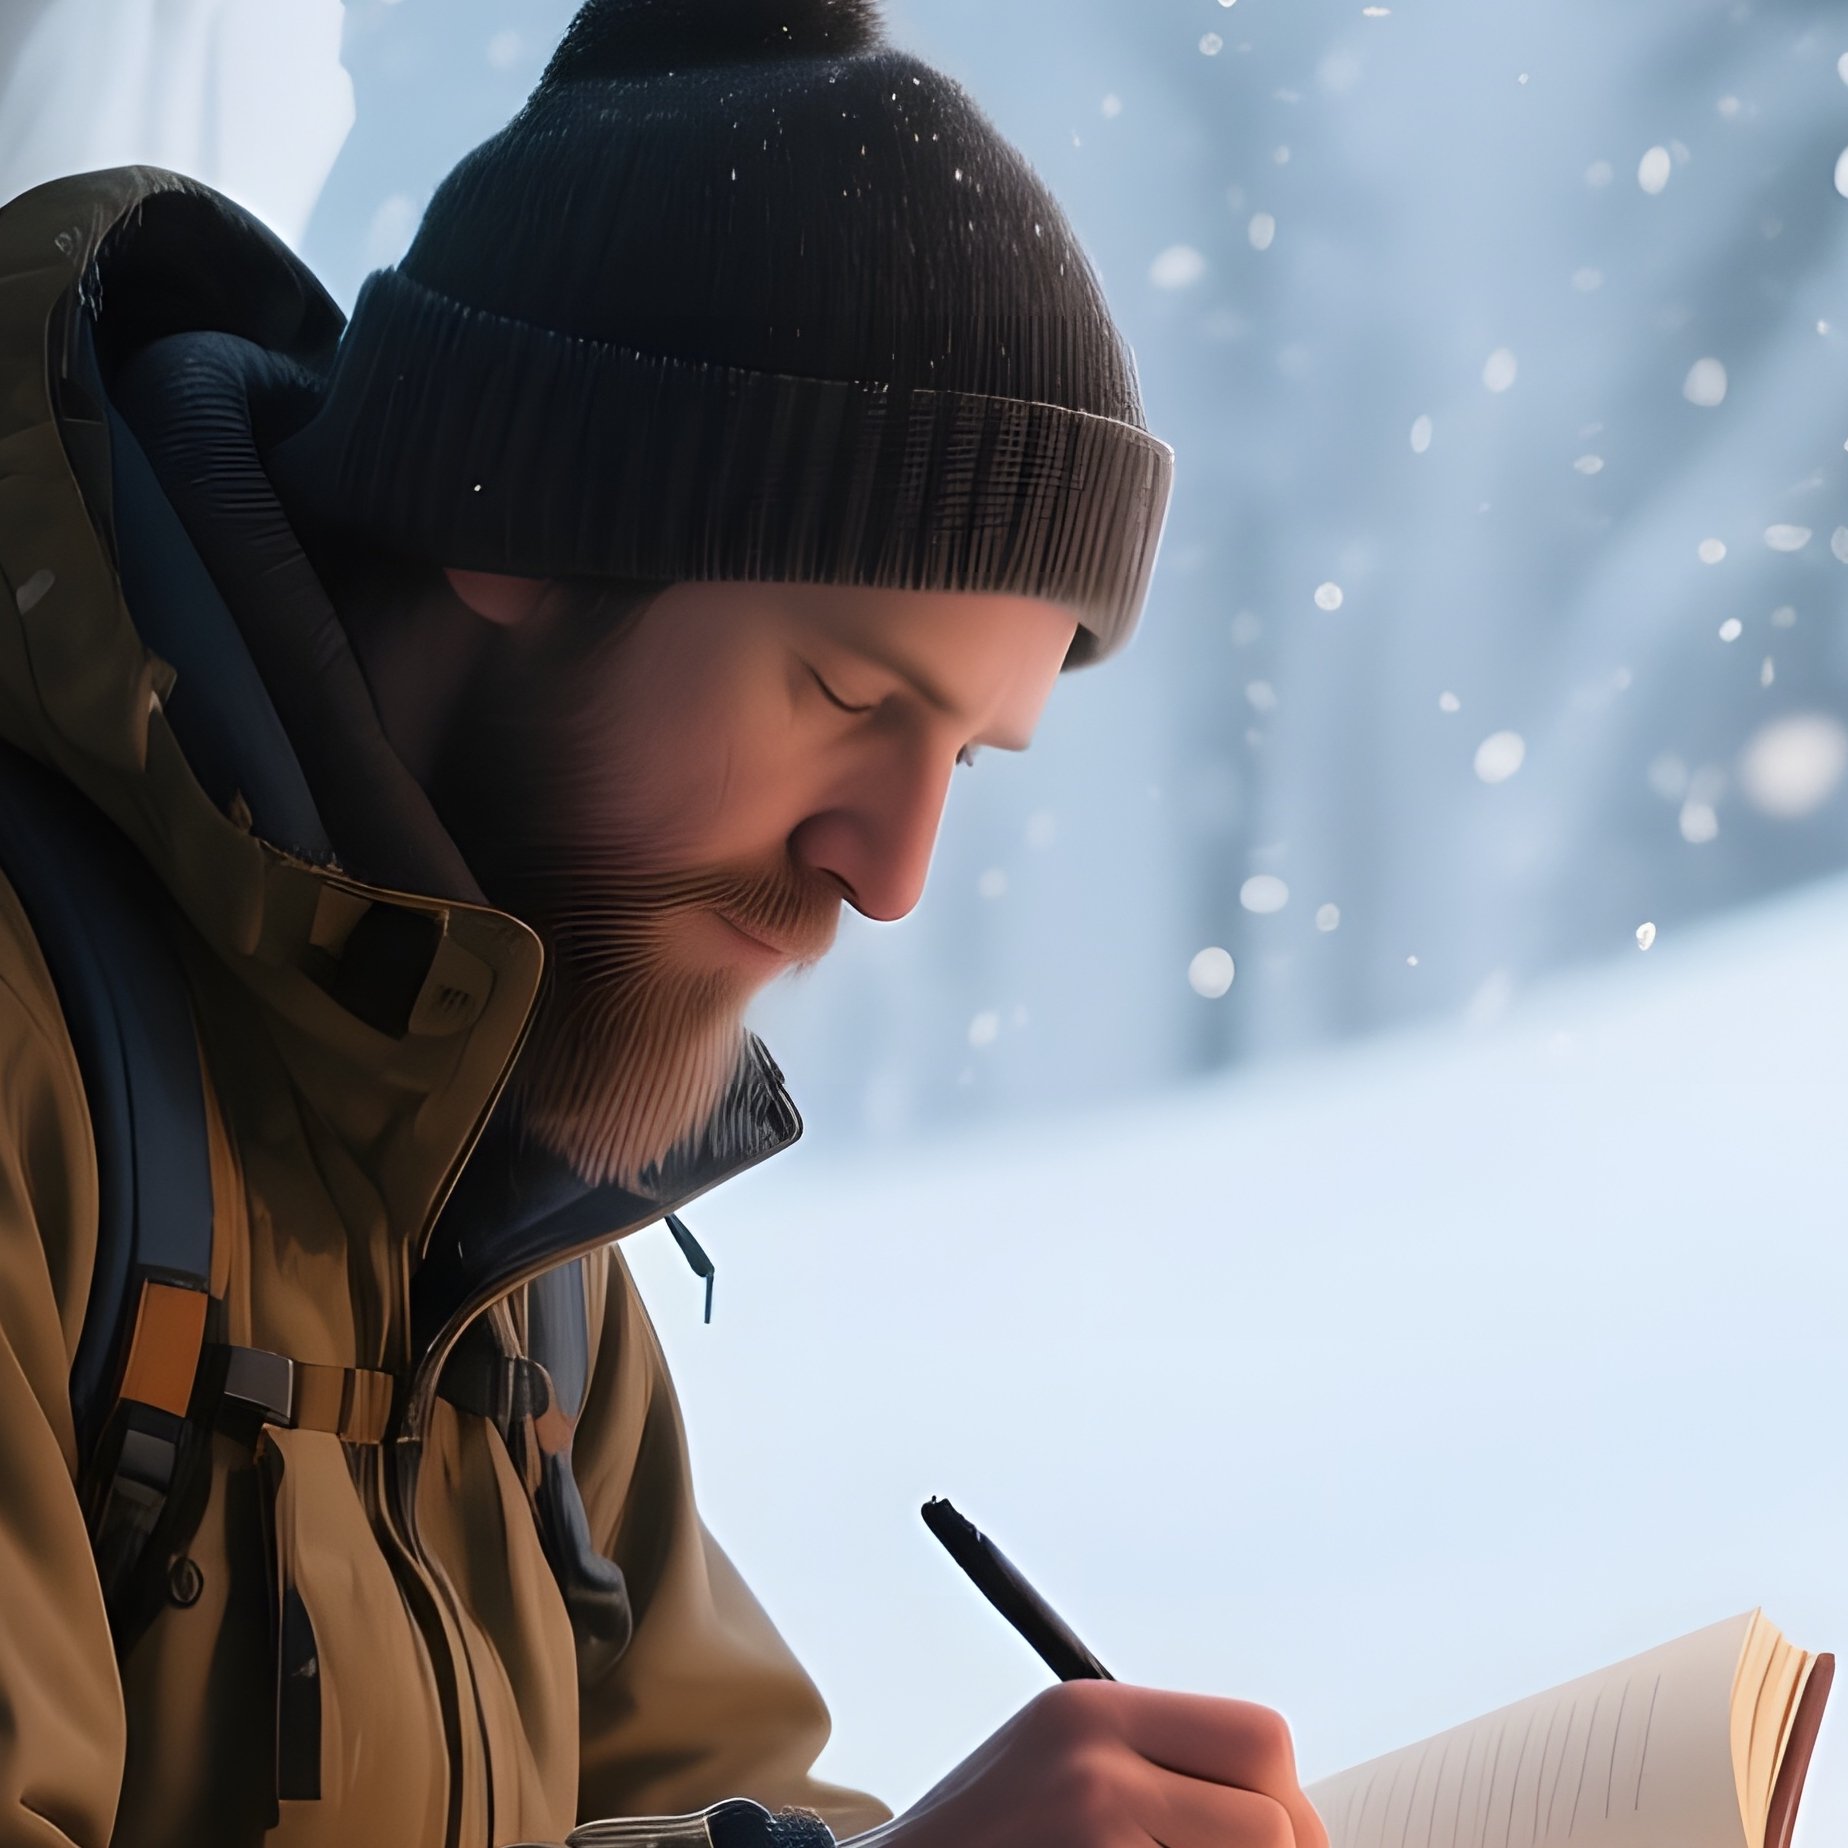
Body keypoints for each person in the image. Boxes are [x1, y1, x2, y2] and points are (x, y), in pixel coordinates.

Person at [0, 1, 1327, 1844]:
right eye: (853, 696)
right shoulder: (40, 1061)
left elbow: (704, 1808)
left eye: (971, 754)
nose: (893, 868)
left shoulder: (500, 1200)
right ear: (523, 518)